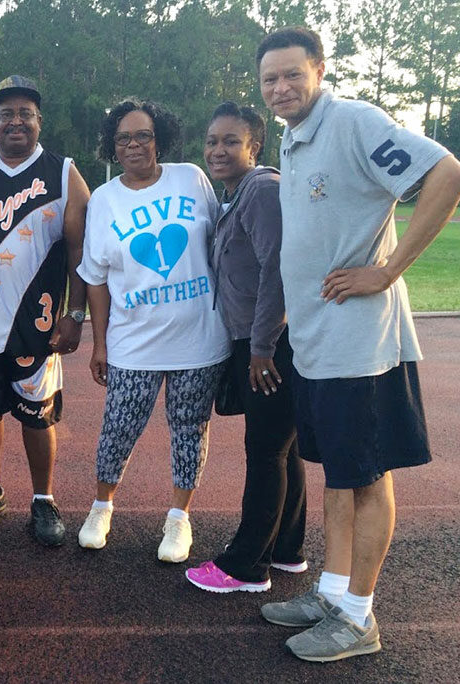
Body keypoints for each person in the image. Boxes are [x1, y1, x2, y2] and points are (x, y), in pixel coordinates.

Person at [254, 27, 460, 662]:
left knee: (367, 478)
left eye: (293, 74)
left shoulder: (353, 121)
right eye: (270, 80)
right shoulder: (294, 140)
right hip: (317, 340)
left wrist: (390, 268)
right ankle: (335, 595)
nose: (281, 88)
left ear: (319, 70)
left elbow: (445, 172)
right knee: (340, 476)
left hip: (361, 343)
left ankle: (360, 619)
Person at [75, 99, 230, 562]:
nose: (134, 145)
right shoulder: (104, 200)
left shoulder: (191, 178)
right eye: (123, 138)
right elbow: (95, 278)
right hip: (133, 343)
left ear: (159, 138)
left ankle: (179, 519)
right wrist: (100, 343)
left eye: (142, 135)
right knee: (117, 430)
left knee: (189, 430)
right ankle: (102, 506)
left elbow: (219, 245)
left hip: (200, 340)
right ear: (112, 145)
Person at [0, 75, 90, 547]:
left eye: (25, 113)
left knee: (37, 416)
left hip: (39, 327)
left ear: (38, 121)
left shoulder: (63, 172)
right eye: (6, 114)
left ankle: (43, 498)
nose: (16, 121)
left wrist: (76, 314)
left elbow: (80, 252)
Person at [184, 102, 306, 593]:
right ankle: (285, 549)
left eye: (230, 141)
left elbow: (278, 270)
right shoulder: (233, 195)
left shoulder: (262, 190)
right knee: (281, 448)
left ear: (254, 147)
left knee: (265, 452)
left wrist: (260, 349)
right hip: (255, 341)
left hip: (270, 344)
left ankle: (247, 566)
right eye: (212, 141)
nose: (218, 150)